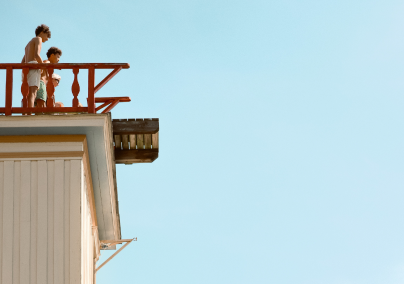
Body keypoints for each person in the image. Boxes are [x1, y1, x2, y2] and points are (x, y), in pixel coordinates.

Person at [21, 24, 51, 109]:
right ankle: (29, 112)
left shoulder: (27, 45)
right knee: (33, 93)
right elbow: (37, 55)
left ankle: (25, 112)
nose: (47, 39)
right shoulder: (38, 39)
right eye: (47, 36)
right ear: (42, 32)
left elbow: (22, 61)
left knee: (26, 94)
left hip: (26, 69)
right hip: (34, 67)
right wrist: (42, 67)